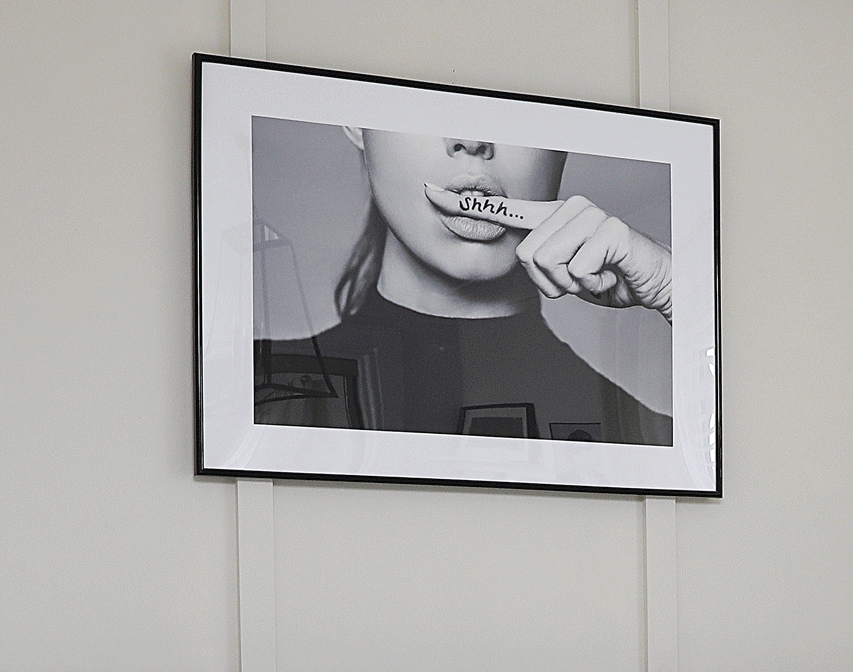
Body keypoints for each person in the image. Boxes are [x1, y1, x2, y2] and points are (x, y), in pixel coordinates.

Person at [255, 128, 674, 444]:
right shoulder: (249, 403)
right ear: (355, 124)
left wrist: (674, 288)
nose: (472, 141)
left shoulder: (650, 444)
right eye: (426, 100)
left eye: (515, 107)